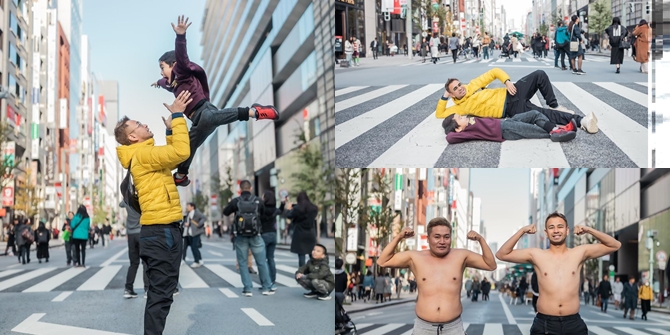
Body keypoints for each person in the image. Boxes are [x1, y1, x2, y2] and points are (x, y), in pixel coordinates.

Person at [152, 16, 279, 187]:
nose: (161, 73)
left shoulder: (181, 71)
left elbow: (181, 58)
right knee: (187, 146)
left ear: (173, 65)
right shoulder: (171, 84)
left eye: (162, 68)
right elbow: (165, 83)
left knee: (210, 118)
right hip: (198, 122)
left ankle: (253, 111)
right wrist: (158, 84)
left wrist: (180, 37)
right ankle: (181, 175)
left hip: (205, 110)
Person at [114, 90, 192, 335]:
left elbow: (169, 160)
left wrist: (170, 131)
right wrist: (178, 115)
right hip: (161, 232)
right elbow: (181, 153)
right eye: (138, 124)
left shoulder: (143, 155)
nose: (145, 124)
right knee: (160, 296)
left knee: (161, 294)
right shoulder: (143, 154)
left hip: (160, 231)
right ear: (132, 136)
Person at [496, 212, 621, 335]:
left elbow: (615, 245)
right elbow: (502, 254)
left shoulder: (579, 253)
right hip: (545, 323)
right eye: (551, 227)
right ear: (546, 233)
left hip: (573, 323)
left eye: (560, 226)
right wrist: (522, 231)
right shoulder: (537, 255)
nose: (556, 230)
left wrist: (589, 230)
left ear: (567, 230)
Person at [377, 217, 496, 335]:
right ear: (428, 239)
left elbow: (490, 265)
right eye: (437, 237)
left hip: (453, 328)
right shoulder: (415, 257)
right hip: (423, 328)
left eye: (446, 237)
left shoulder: (461, 256)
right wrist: (399, 237)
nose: (442, 241)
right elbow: (382, 261)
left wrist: (481, 240)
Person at [435, 68, 598, 134]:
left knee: (540, 74)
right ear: (452, 94)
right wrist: (444, 97)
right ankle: (582, 120)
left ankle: (554, 103)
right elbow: (440, 113)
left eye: (459, 85)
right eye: (455, 89)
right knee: (543, 114)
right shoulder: (460, 109)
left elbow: (493, 72)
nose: (460, 88)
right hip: (512, 109)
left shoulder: (472, 85)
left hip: (512, 91)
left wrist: (506, 81)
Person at [222, 179, 275, 296]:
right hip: (256, 235)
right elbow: (264, 214)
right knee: (261, 261)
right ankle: (266, 287)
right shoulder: (258, 201)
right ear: (251, 188)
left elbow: (225, 212)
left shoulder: (236, 201)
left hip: (241, 235)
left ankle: (248, 288)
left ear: (240, 189)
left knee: (242, 262)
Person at [442, 111, 577, 144]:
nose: (463, 117)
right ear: (458, 128)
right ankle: (557, 133)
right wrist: (456, 130)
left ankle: (556, 128)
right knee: (532, 129)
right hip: (505, 130)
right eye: (460, 118)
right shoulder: (465, 132)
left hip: (506, 122)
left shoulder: (467, 123)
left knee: (534, 115)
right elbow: (450, 137)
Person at [120, 200, 149, 299]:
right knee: (145, 262)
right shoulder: (141, 199)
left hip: (131, 234)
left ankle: (128, 289)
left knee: (133, 263)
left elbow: (121, 204)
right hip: (141, 232)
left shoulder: (127, 201)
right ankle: (147, 289)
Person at [285, 191, 318, 267]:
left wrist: (288, 209)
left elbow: (289, 215)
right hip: (310, 233)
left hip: (300, 233)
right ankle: (314, 271)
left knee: (301, 254)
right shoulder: (314, 208)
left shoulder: (297, 209)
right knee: (312, 254)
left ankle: (302, 273)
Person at [260, 190, 284, 287]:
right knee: (271, 259)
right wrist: (283, 204)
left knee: (263, 260)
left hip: (264, 235)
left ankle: (266, 282)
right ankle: (273, 281)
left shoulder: (262, 209)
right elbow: (280, 211)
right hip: (273, 235)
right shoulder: (274, 209)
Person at [182, 202, 206, 268]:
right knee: (192, 247)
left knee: (194, 247)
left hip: (196, 232)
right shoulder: (188, 214)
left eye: (188, 206)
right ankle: (199, 259)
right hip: (189, 233)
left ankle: (197, 261)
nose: (187, 207)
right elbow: (188, 222)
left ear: (192, 207)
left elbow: (204, 217)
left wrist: (199, 224)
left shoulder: (196, 213)